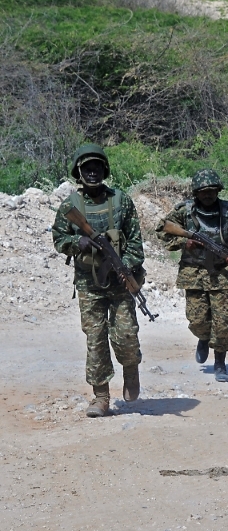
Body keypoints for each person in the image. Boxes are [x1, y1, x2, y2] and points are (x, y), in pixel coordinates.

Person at [52, 144, 145, 418]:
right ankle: (101, 397)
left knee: (126, 334)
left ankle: (130, 369)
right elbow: (58, 239)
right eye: (86, 168)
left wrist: (124, 267)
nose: (92, 172)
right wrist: (75, 241)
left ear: (105, 170)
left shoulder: (121, 201)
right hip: (88, 283)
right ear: (78, 172)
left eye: (97, 167)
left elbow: (136, 245)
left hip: (119, 282)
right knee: (95, 339)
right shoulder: (71, 206)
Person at [156, 169, 228, 383]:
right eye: (203, 192)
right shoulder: (184, 211)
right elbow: (162, 230)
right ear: (196, 193)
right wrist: (184, 242)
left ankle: (220, 363)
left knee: (223, 321)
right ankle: (203, 337)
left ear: (218, 191)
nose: (207, 196)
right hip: (193, 273)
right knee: (197, 320)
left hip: (221, 273)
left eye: (211, 191)